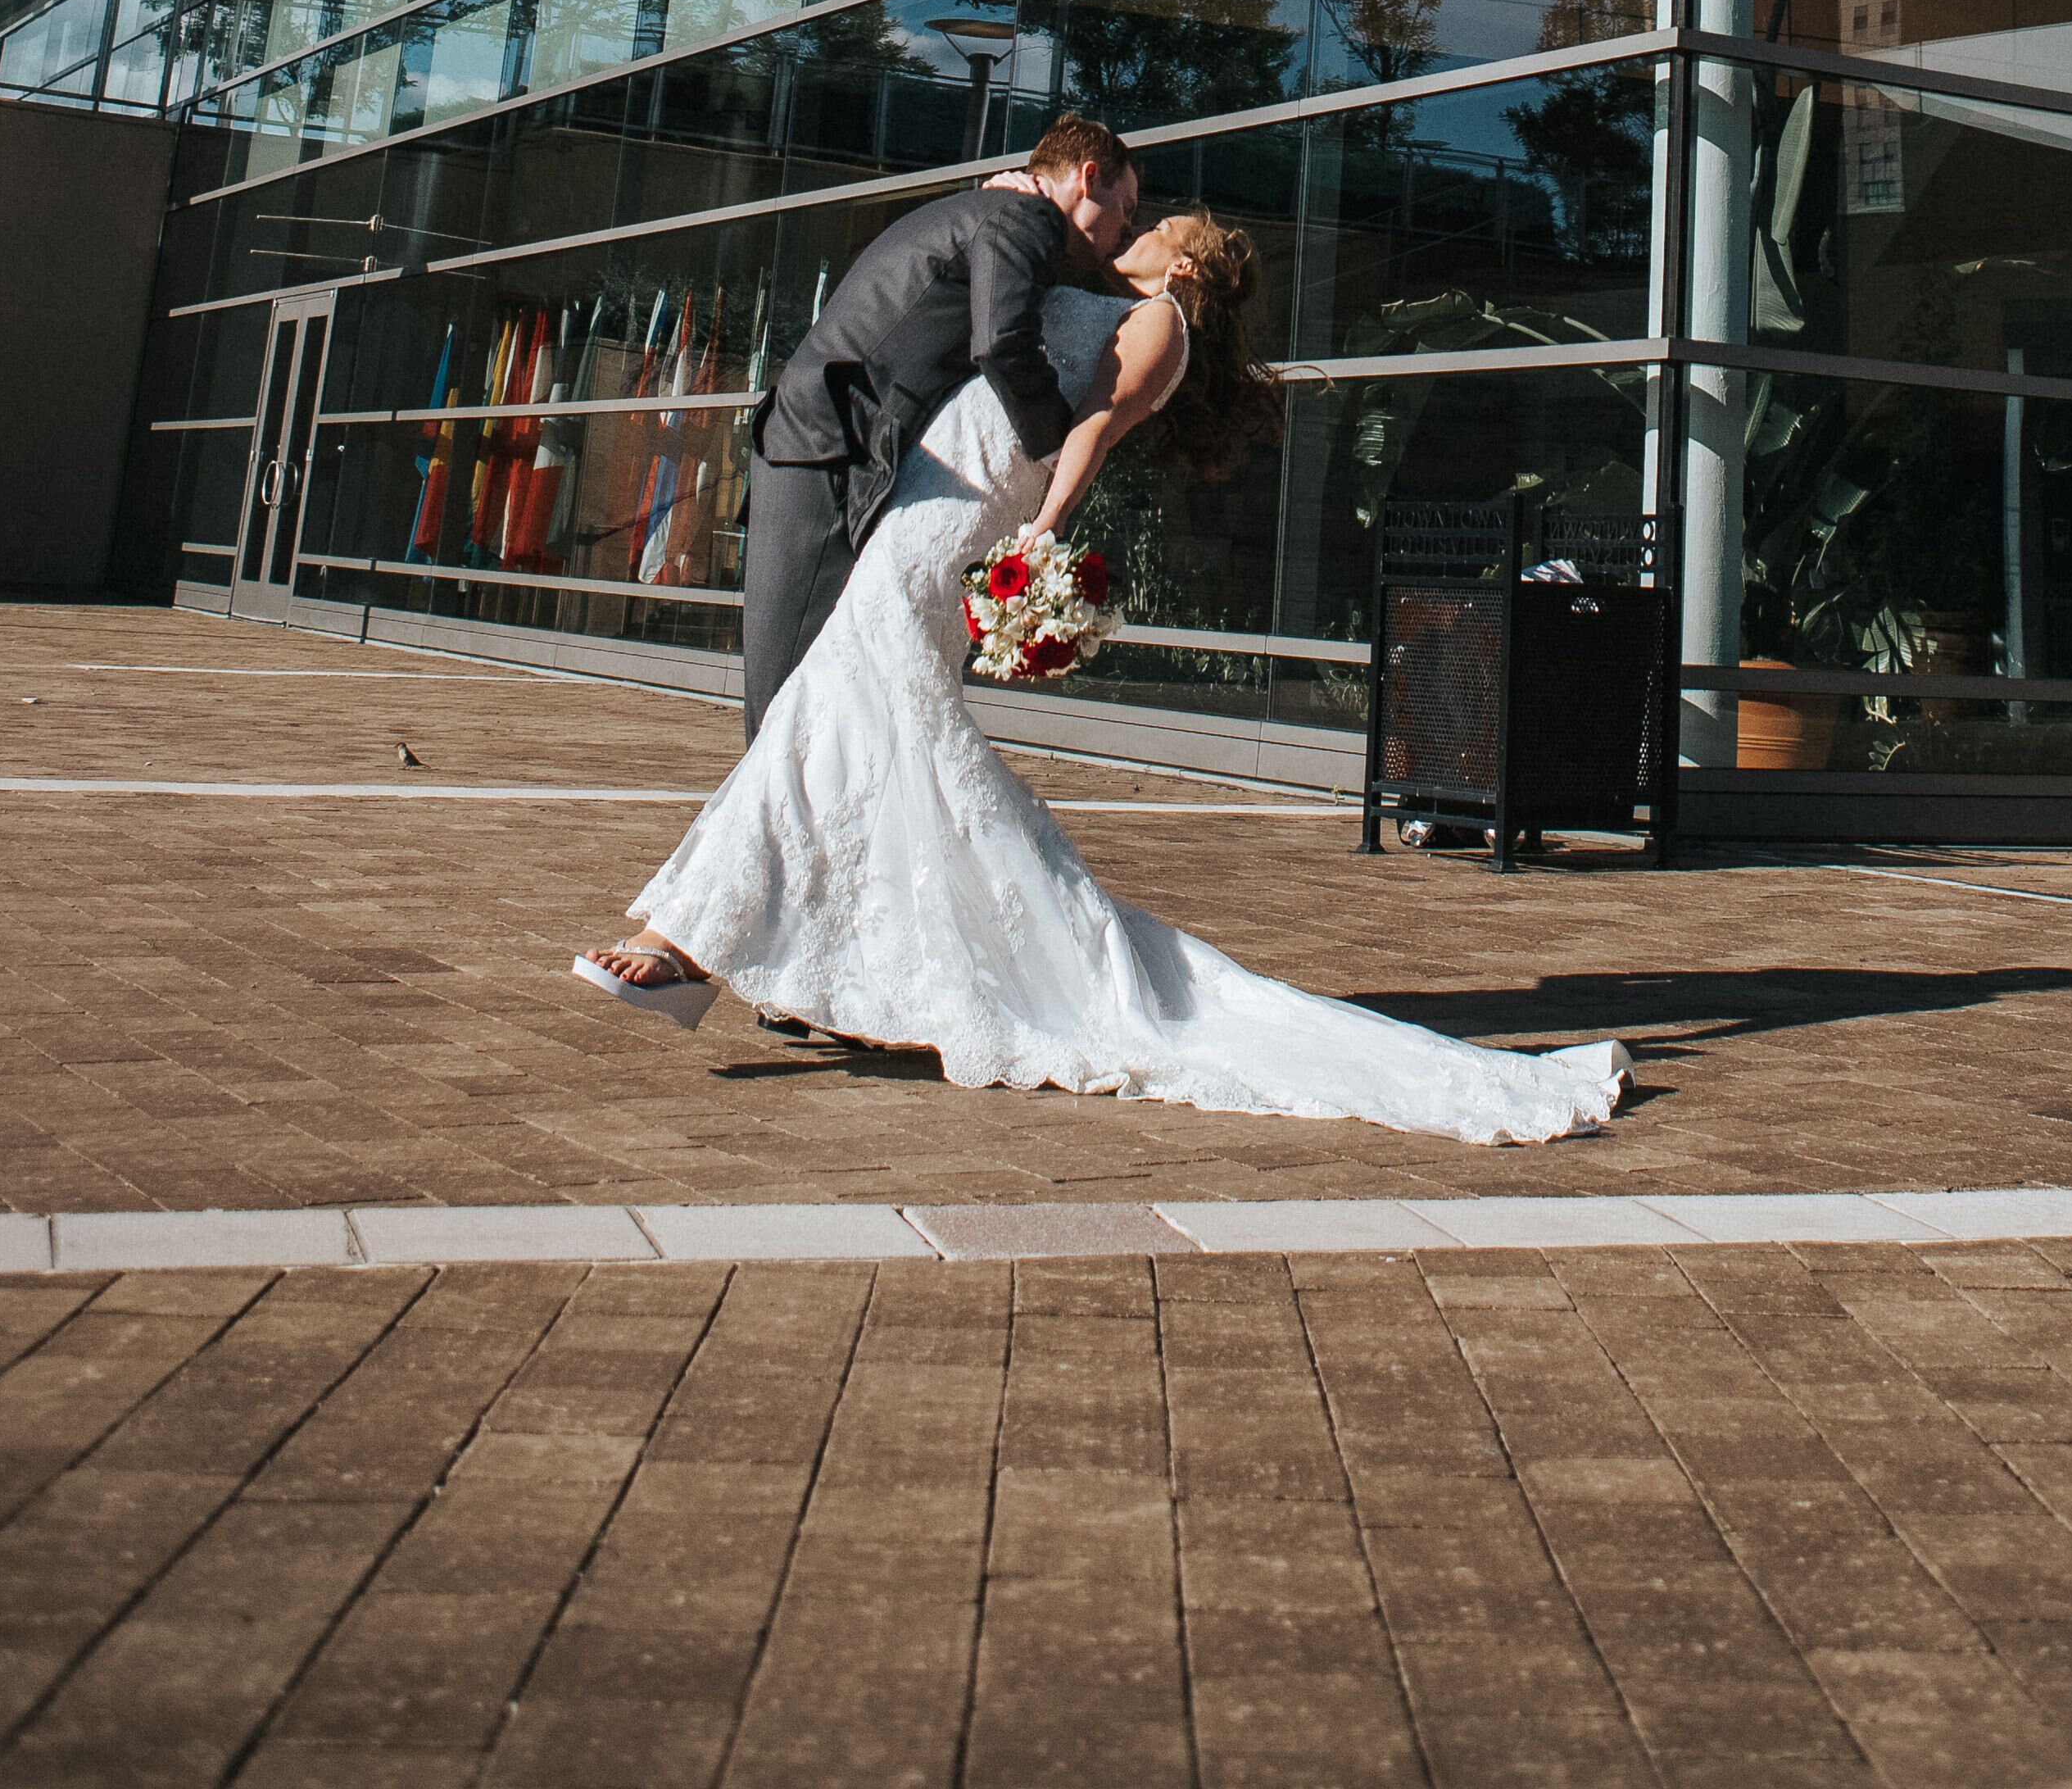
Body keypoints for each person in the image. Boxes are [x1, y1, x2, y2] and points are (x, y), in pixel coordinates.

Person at [574, 213, 1631, 1147]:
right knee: (853, 728)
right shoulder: (1116, 297)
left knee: (832, 709)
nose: (1134, 233)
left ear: (1189, 261)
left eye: (1155, 225)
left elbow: (1087, 429)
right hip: (932, 510)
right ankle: (714, 948)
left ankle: (690, 947)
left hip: (964, 520)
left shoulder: (1166, 319)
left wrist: (1036, 536)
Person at [736, 112, 1140, 739]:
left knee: (815, 683)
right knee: (790, 684)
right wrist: (1060, 453)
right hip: (826, 444)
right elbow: (1003, 342)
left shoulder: (1001, 211)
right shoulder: (1023, 216)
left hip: (830, 443)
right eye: (1126, 205)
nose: (1128, 227)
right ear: (1088, 177)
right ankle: (768, 833)